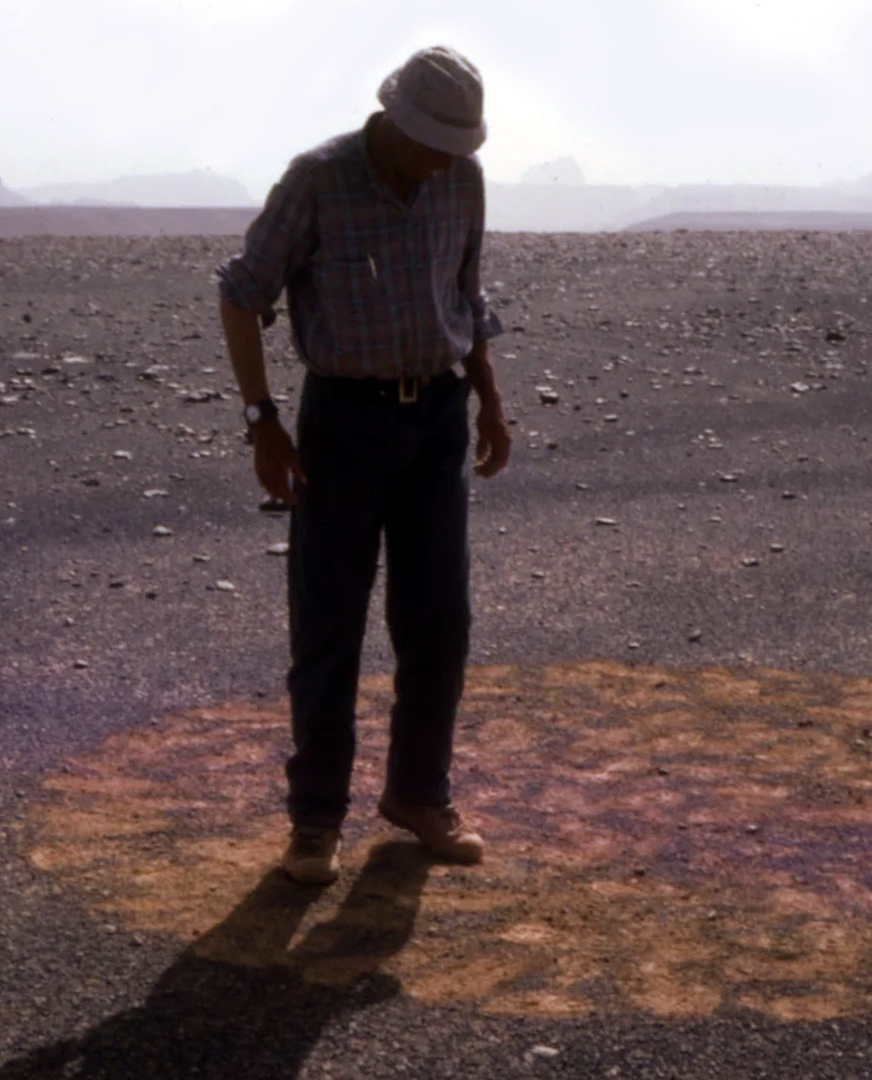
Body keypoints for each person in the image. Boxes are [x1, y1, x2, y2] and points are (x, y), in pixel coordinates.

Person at [216, 45, 511, 885]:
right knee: (329, 625)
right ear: (393, 122)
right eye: (432, 147)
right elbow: (242, 293)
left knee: (440, 620)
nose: (442, 164)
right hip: (342, 425)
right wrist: (262, 421)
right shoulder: (318, 180)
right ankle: (315, 821)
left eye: (456, 150)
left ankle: (419, 793)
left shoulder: (462, 179)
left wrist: (490, 401)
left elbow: (466, 298)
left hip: (437, 420)